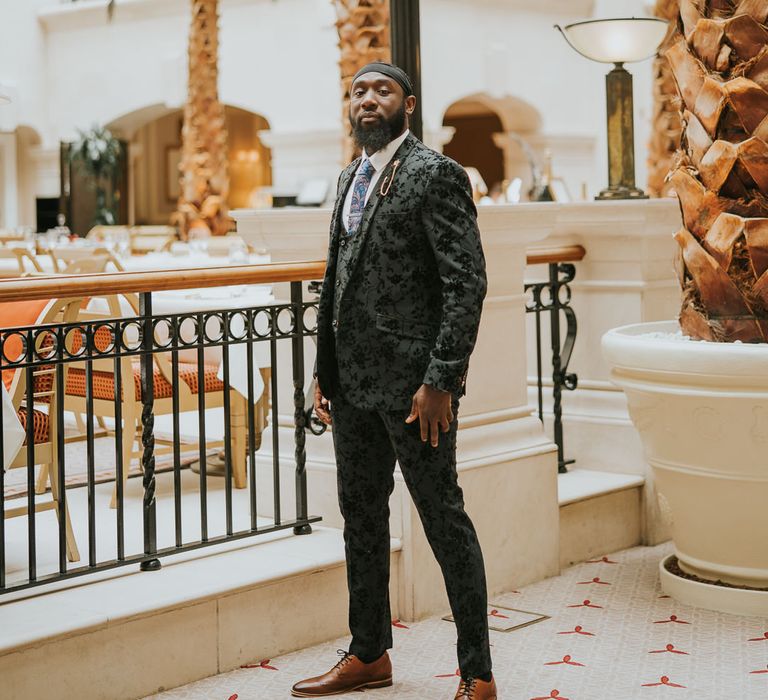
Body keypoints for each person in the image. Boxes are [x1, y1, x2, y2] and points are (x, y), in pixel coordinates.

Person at [291, 62, 496, 700]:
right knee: (360, 519)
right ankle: (370, 653)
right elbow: (337, 279)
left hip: (415, 393)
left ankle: (478, 672)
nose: (369, 100)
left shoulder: (435, 174)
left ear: (408, 104)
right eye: (360, 91)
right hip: (351, 387)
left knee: (442, 518)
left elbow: (468, 282)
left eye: (383, 91)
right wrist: (322, 371)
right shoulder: (351, 176)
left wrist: (441, 379)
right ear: (349, 106)